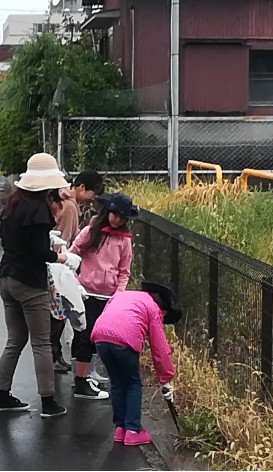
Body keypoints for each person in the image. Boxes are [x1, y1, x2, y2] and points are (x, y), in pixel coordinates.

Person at [0, 153, 82, 418]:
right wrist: (64, 257)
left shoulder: (12, 203)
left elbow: (9, 241)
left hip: (6, 276)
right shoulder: (39, 209)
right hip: (30, 281)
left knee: (15, 340)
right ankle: (48, 402)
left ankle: (1, 396)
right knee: (42, 343)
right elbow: (40, 252)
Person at [91, 282, 181, 446]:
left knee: (118, 382)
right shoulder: (153, 308)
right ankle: (133, 430)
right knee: (133, 383)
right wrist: (166, 379)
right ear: (164, 310)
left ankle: (120, 429)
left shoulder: (122, 296)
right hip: (124, 340)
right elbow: (160, 348)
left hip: (100, 337)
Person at [68, 193, 137, 399]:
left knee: (98, 335)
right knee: (84, 335)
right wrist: (76, 282)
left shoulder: (124, 241)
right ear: (107, 212)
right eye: (114, 214)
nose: (117, 219)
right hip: (87, 292)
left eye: (122, 217)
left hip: (108, 297)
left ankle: (86, 373)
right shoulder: (90, 232)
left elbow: (124, 271)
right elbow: (71, 256)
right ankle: (80, 381)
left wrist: (119, 295)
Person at [50, 170, 103, 374]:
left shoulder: (62, 200)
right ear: (81, 187)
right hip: (59, 265)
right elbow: (63, 240)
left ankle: (56, 356)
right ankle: (55, 356)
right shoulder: (71, 207)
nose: (93, 198)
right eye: (92, 192)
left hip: (55, 263)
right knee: (59, 313)